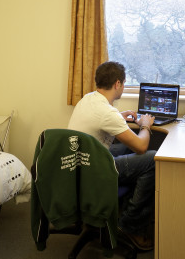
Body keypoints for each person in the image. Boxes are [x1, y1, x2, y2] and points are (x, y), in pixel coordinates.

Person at [67, 61, 156, 251]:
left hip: (78, 165)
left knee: (127, 148)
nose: (123, 86)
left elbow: (104, 118)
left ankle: (124, 211)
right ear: (117, 84)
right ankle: (130, 226)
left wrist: (120, 116)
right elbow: (141, 146)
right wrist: (146, 125)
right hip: (93, 171)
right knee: (152, 159)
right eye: (123, 83)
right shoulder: (107, 113)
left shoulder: (89, 98)